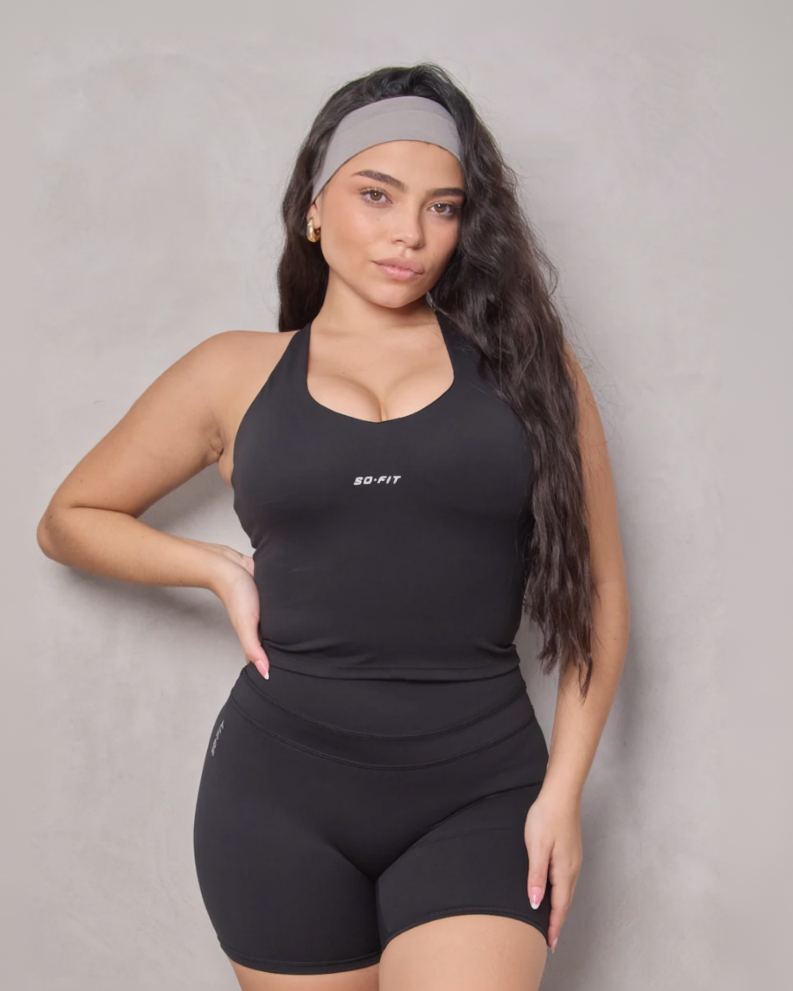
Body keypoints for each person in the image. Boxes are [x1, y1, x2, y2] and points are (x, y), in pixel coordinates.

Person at [37, 62, 630, 991]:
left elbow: (596, 591)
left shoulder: (530, 369)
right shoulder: (234, 371)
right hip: (278, 799)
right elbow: (68, 518)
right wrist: (215, 567)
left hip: (482, 793)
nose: (409, 233)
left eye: (441, 207)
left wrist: (563, 792)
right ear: (315, 207)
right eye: (376, 194)